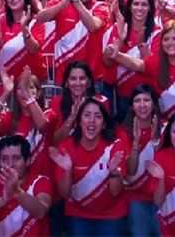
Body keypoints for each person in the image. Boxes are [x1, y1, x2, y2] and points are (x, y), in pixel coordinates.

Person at [48, 97, 128, 235]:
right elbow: (65, 193)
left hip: (111, 214)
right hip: (78, 213)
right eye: (87, 115)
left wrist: (114, 171)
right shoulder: (66, 147)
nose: (92, 120)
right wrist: (67, 171)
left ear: (103, 124)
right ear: (79, 122)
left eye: (98, 116)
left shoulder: (115, 145)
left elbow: (115, 191)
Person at [0, 66, 56, 179]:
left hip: (44, 181)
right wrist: (6, 93)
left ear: (38, 93)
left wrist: (27, 94)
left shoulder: (49, 113)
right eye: (19, 88)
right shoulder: (11, 117)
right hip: (18, 182)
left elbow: (43, 126)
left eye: (31, 87)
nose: (24, 91)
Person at [0, 135, 52, 236]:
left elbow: (41, 211)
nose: (10, 164)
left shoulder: (41, 181)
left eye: (16, 158)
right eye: (4, 159)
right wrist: (1, 201)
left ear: (28, 161)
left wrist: (17, 192)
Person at [118, 84, 162, 237]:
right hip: (135, 196)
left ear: (154, 104)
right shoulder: (123, 131)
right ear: (131, 106)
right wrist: (136, 144)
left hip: (161, 195)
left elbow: (165, 165)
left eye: (146, 100)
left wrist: (156, 141)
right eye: (137, 101)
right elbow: (130, 170)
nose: (142, 105)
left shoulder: (167, 128)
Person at [0, 0, 45, 79]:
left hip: (32, 79)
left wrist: (24, 27)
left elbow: (32, 49)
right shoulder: (1, 20)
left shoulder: (36, 20)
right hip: (7, 79)